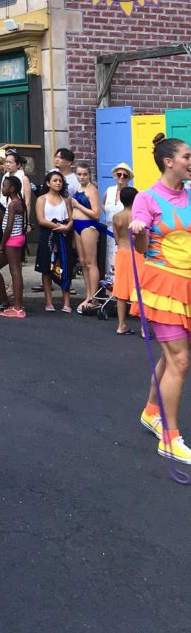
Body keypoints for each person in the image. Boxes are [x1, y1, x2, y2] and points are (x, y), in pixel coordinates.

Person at [130, 136, 191, 465]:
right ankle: (170, 438)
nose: (190, 161)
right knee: (180, 361)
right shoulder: (146, 198)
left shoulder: (190, 195)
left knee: (172, 359)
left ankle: (152, 411)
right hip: (163, 288)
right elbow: (140, 248)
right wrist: (139, 229)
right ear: (169, 161)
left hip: (188, 287)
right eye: (187, 156)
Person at [34, 170, 75, 313]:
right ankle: (49, 302)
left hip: (64, 238)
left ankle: (67, 302)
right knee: (46, 269)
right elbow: (41, 220)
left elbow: (71, 219)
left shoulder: (66, 200)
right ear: (48, 183)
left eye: (60, 181)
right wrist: (59, 227)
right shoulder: (42, 199)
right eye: (55, 180)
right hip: (48, 236)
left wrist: (68, 227)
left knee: (65, 267)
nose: (58, 183)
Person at [111, 186, 143, 337]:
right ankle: (144, 328)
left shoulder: (117, 217)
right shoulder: (138, 216)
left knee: (121, 292)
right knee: (140, 291)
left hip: (122, 254)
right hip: (137, 254)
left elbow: (117, 239)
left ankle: (121, 325)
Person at [0, 175, 29, 318]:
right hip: (17, 238)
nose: (2, 188)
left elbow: (9, 227)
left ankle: (18, 307)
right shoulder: (19, 201)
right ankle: (18, 305)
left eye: (4, 186)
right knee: (16, 271)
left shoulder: (13, 204)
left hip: (12, 240)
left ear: (12, 188)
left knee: (15, 272)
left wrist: (2, 244)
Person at [71, 162, 102, 314]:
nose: (82, 177)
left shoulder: (92, 190)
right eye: (79, 174)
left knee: (91, 262)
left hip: (88, 226)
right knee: (83, 262)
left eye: (85, 174)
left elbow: (96, 213)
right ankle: (88, 295)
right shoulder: (78, 188)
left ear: (89, 175)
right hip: (76, 225)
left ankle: (94, 298)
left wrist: (77, 205)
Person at [103, 163, 133, 281]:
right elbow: (103, 203)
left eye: (124, 175)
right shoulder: (109, 190)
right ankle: (112, 288)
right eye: (119, 174)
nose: (121, 177)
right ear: (115, 175)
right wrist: (108, 214)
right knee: (110, 260)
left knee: (122, 260)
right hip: (110, 229)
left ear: (128, 177)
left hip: (124, 232)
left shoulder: (131, 193)